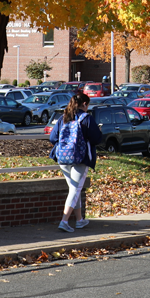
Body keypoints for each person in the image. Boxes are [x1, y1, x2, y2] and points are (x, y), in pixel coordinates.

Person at [48, 92, 102, 232]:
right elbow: (97, 139)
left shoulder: (64, 118)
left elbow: (53, 138)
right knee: (75, 189)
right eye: (88, 105)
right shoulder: (86, 119)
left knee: (74, 188)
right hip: (80, 158)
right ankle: (64, 221)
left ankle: (79, 220)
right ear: (84, 104)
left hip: (63, 158)